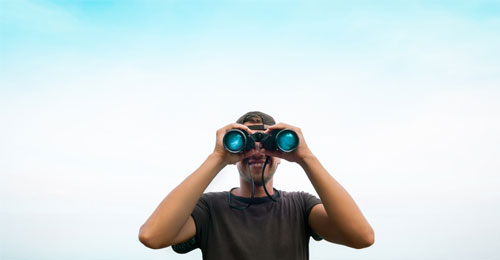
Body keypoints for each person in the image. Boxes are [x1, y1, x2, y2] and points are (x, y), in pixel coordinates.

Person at [139, 111, 374, 259]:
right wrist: (217, 157)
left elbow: (362, 237)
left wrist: (306, 157)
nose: (258, 149)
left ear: (281, 154)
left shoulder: (301, 207)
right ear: (235, 152)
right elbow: (152, 236)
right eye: (247, 142)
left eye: (267, 142)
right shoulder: (210, 209)